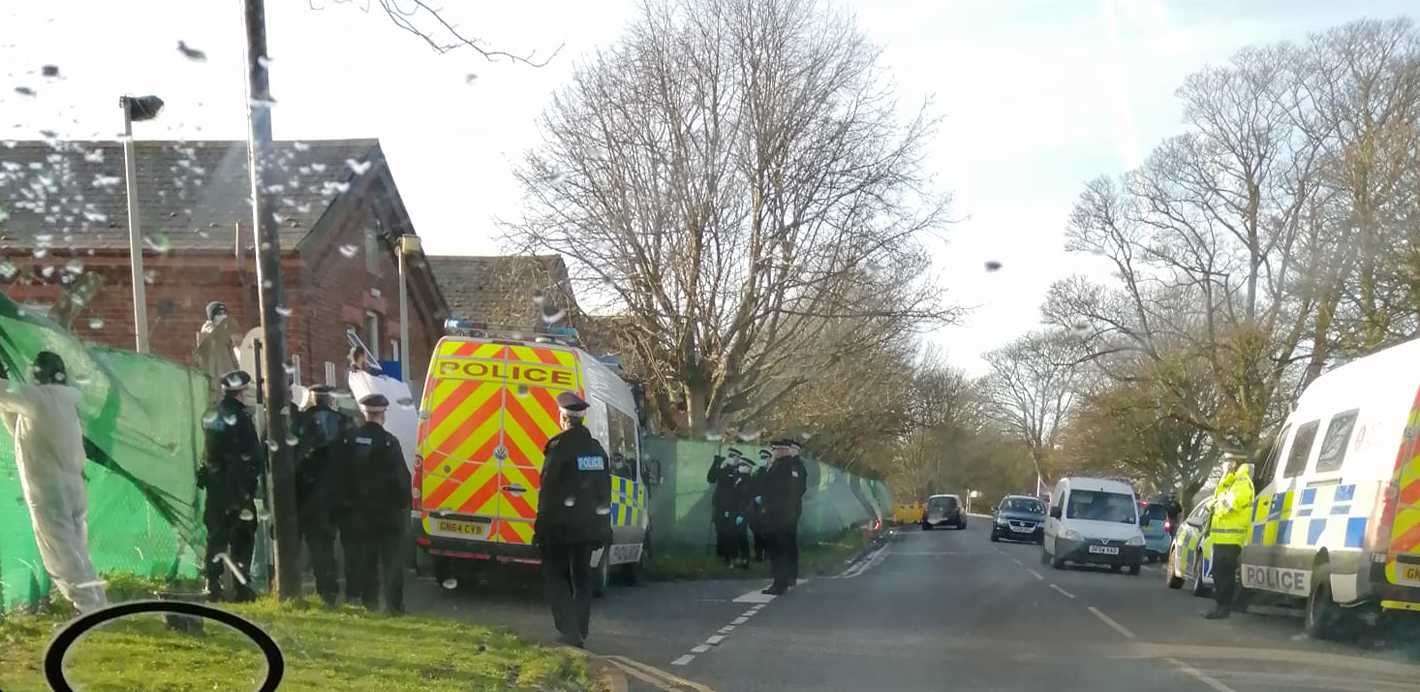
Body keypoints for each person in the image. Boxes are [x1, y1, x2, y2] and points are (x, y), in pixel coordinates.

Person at [0, 352, 108, 613]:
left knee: (62, 553)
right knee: (76, 550)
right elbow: (18, 426)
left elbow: (5, 395)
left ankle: (88, 608)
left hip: (49, 490)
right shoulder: (65, 402)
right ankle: (96, 602)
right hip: (71, 487)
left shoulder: (38, 398)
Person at [535, 391, 612, 648]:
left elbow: (548, 491)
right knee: (582, 578)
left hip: (560, 528)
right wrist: (602, 528)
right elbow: (604, 492)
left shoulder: (559, 448)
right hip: (588, 529)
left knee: (556, 577)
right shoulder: (596, 451)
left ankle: (568, 631)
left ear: (564, 418)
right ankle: (580, 629)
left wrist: (541, 528)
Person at [338, 393, 411, 613]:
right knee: (391, 561)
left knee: (366, 559)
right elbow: (401, 480)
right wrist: (403, 504)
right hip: (386, 514)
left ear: (364, 412)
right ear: (383, 414)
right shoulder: (389, 442)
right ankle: (394, 606)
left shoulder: (349, 440)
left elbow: (339, 476)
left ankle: (369, 602)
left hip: (358, 514)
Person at [199, 370, 264, 602]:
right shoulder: (242, 418)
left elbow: (208, 452)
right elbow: (253, 454)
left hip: (215, 486)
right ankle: (241, 586)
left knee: (216, 536)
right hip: (238, 487)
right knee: (242, 536)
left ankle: (212, 584)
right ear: (241, 392)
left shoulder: (211, 414)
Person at [294, 384, 353, 606]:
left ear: (310, 399)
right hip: (331, 495)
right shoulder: (342, 422)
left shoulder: (299, 421)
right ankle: (327, 592)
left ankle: (290, 589)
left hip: (300, 495)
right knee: (324, 546)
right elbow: (350, 462)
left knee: (294, 546)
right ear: (329, 400)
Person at [1205, 452, 1255, 619]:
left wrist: (1214, 506)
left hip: (1231, 538)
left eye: (1228, 461)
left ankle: (1224, 607)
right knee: (1219, 573)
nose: (1225, 464)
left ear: (1236, 462)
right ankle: (1221, 606)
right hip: (1221, 537)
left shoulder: (1242, 482)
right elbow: (1218, 498)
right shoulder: (1229, 481)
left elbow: (1230, 504)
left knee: (1224, 574)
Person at [760, 438, 808, 595]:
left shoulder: (782, 467)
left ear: (780, 450)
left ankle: (779, 583)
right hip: (787, 514)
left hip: (778, 515)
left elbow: (776, 490)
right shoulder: (790, 466)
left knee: (778, 549)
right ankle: (784, 580)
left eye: (775, 450)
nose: (773, 453)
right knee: (785, 547)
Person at [707, 448, 753, 567]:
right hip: (719, 504)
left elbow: (740, 489)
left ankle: (731, 557)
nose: (733, 459)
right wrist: (717, 463)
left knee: (730, 532)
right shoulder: (723, 467)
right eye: (731, 456)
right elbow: (711, 478)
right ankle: (722, 554)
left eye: (736, 457)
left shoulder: (739, 472)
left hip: (732, 506)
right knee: (719, 529)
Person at [193, 302, 241, 400]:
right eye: (219, 313)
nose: (223, 316)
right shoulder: (208, 329)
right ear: (212, 316)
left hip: (227, 370)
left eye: (224, 313)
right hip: (215, 374)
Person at [749, 449, 771, 562]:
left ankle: (767, 554)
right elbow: (752, 487)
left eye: (765, 458)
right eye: (761, 458)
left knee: (767, 531)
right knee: (756, 530)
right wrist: (755, 497)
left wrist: (765, 498)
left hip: (768, 506)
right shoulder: (757, 472)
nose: (763, 460)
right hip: (756, 506)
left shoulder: (772, 472)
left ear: (769, 459)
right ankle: (758, 555)